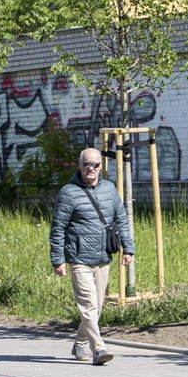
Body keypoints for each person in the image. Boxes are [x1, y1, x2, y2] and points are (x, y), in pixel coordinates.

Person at [49, 147, 134, 365]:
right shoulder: (68, 193)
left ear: (100, 166)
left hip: (103, 256)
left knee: (96, 308)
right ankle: (99, 349)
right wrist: (58, 259)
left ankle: (79, 344)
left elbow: (121, 219)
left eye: (95, 165)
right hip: (79, 258)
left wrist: (128, 248)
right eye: (86, 164)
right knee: (88, 306)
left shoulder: (109, 189)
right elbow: (57, 228)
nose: (91, 168)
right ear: (79, 165)